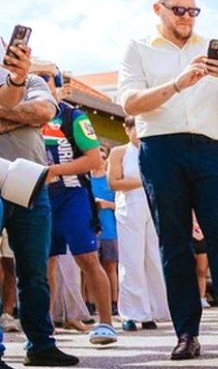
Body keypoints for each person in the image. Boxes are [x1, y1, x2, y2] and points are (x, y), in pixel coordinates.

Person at [117, 0, 218, 360]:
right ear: (158, 9)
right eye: (178, 9)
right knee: (175, 243)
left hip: (211, 149)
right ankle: (187, 333)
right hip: (161, 148)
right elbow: (130, 103)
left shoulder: (212, 47)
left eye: (192, 10)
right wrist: (179, 84)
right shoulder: (138, 48)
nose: (186, 17)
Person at [0, 40, 74, 369]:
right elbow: (33, 115)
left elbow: (45, 112)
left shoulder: (30, 80)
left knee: (35, 270)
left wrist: (5, 113)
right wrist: (21, 117)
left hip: (32, 182)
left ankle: (41, 344)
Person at [37, 67, 119, 346]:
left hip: (72, 196)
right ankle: (43, 330)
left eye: (45, 77)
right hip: (39, 198)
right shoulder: (23, 113)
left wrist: (54, 170)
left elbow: (94, 160)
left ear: (57, 85)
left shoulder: (72, 116)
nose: (37, 81)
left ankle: (106, 323)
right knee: (43, 265)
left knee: (87, 259)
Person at [108, 117, 169, 330]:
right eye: (134, 128)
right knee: (131, 259)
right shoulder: (119, 153)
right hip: (129, 206)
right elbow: (114, 182)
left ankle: (152, 310)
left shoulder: (153, 151)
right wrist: (144, 181)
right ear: (127, 129)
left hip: (152, 206)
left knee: (153, 257)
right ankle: (131, 313)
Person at [91, 145, 119, 319]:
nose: (99, 159)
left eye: (102, 156)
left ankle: (114, 302)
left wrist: (106, 204)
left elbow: (122, 205)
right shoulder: (87, 180)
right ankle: (90, 303)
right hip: (92, 230)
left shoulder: (111, 181)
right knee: (89, 267)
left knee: (110, 266)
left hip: (110, 230)